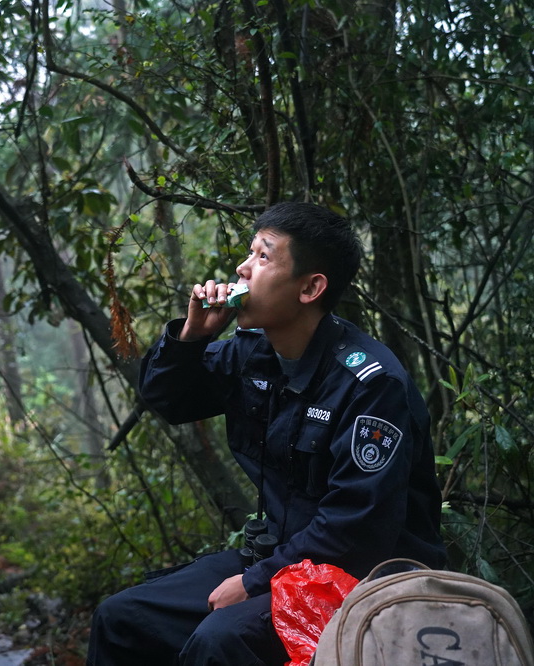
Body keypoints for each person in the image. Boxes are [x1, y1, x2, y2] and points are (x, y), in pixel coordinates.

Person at [87, 202, 446, 665]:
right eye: (250, 251)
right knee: (122, 618)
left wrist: (254, 582)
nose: (242, 267)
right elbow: (168, 402)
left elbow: (356, 530)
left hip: (364, 579)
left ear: (311, 287)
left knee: (220, 640)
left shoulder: (372, 385)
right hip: (282, 560)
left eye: (262, 255)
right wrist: (193, 337)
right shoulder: (253, 353)